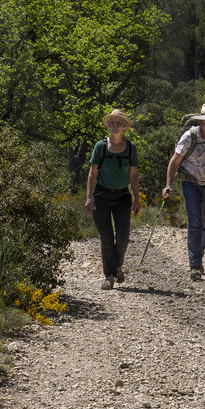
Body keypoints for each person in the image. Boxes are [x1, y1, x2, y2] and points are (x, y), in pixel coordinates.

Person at [161, 102, 205, 278]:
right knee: (195, 222)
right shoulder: (189, 136)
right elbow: (175, 161)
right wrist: (168, 185)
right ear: (201, 121)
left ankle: (198, 256)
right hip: (191, 182)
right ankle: (195, 264)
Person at [86, 108, 142, 289]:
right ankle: (109, 276)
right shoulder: (100, 147)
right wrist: (88, 197)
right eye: (112, 123)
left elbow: (133, 175)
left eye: (119, 123)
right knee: (107, 238)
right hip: (101, 196)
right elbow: (92, 173)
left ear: (125, 127)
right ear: (108, 126)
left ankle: (117, 266)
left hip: (122, 197)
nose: (115, 126)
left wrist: (137, 199)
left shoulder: (131, 148)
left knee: (123, 237)